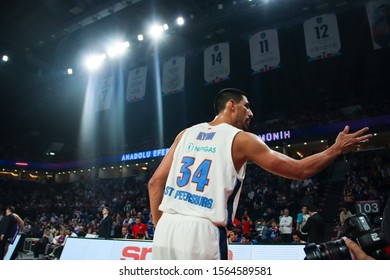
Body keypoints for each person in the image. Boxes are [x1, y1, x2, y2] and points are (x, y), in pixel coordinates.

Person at [148, 88, 372, 260]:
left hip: (167, 227)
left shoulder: (185, 134)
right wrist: (336, 149)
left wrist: (161, 228)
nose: (251, 113)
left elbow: (155, 182)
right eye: (247, 106)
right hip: (201, 232)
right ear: (232, 105)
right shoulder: (241, 138)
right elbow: (300, 170)